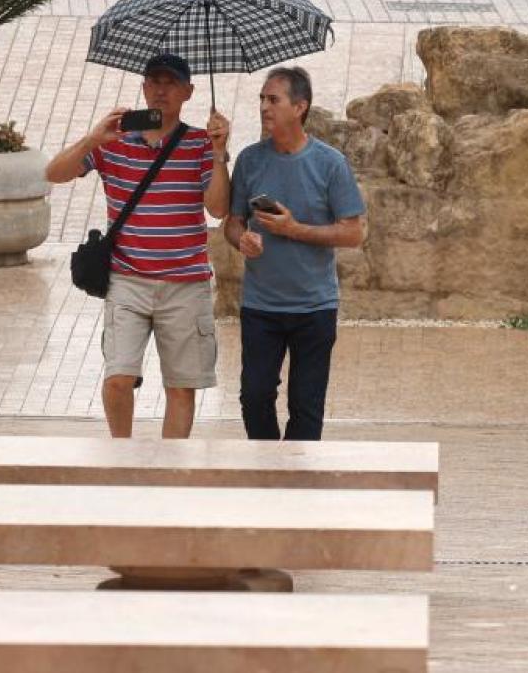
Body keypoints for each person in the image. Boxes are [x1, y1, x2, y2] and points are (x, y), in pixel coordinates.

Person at [45, 53, 230, 439]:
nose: (161, 90)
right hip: (128, 280)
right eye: (154, 82)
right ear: (144, 88)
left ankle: (169, 471)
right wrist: (93, 139)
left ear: (189, 92)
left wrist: (217, 153)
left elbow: (218, 207)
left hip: (186, 282)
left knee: (181, 386)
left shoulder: (199, 143)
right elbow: (54, 174)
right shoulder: (115, 142)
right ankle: (122, 458)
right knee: (118, 377)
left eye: (171, 83)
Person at [223, 67, 365, 440]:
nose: (264, 107)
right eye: (261, 99)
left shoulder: (330, 164)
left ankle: (299, 484)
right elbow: (232, 222)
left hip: (314, 308)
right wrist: (241, 240)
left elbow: (354, 232)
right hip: (260, 306)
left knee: (306, 406)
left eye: (274, 100)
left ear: (299, 107)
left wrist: (293, 229)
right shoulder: (249, 160)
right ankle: (267, 473)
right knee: (253, 397)